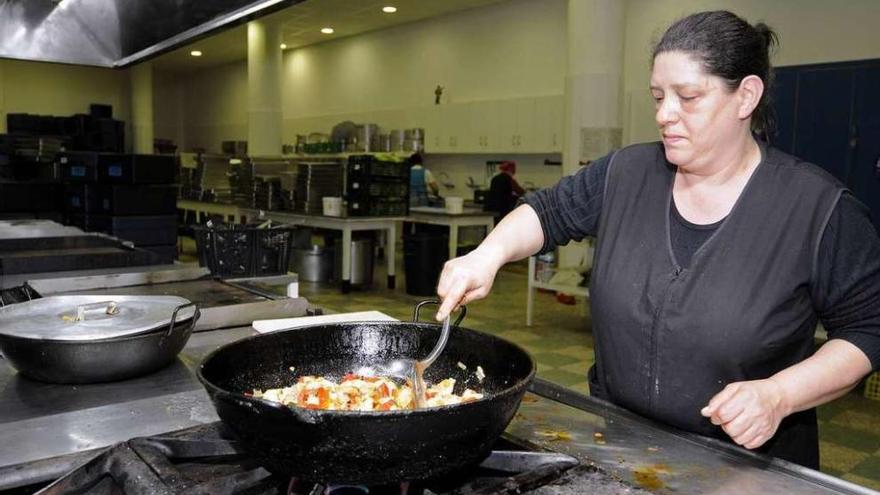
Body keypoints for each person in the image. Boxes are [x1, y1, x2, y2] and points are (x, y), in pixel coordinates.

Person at [434, 10, 880, 469]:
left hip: (747, 468)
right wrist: (487, 255)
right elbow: (548, 213)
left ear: (746, 96)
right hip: (622, 449)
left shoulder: (817, 208)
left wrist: (780, 395)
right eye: (658, 96)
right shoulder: (626, 173)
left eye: (688, 97)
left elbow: (868, 329)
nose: (665, 115)